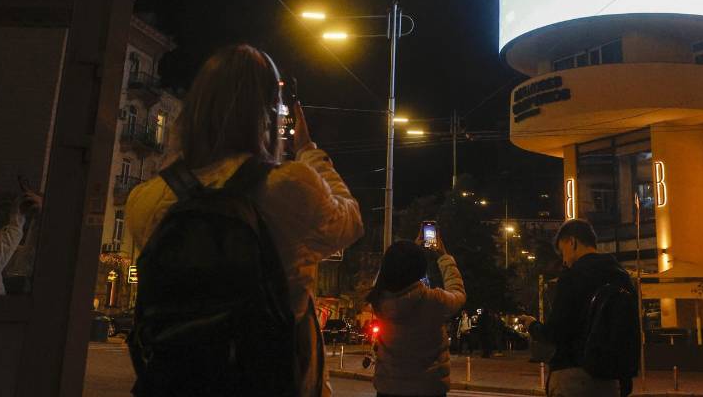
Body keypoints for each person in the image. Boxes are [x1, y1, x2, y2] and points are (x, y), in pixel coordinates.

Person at [127, 44, 363, 397]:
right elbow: (350, 221)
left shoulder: (144, 200)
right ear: (268, 114)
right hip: (273, 379)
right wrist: (310, 151)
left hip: (177, 381)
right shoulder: (289, 185)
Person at [528, 219, 636, 397]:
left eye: (563, 252)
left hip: (574, 374)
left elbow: (556, 331)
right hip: (612, 379)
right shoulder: (621, 277)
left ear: (572, 242)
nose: (564, 261)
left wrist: (533, 326)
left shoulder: (573, 276)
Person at [368, 236, 466, 397]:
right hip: (428, 387)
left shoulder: (379, 301)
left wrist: (407, 252)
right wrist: (444, 257)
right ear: (421, 268)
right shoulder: (433, 300)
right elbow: (458, 293)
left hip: (389, 389)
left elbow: (382, 279)